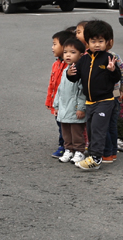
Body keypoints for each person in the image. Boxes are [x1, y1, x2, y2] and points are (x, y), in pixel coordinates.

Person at [67, 20, 122, 170]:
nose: (97, 44)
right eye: (93, 41)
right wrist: (69, 73)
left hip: (105, 101)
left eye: (101, 41)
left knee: (98, 129)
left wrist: (112, 70)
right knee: (91, 130)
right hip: (90, 103)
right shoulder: (84, 59)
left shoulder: (108, 58)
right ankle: (94, 154)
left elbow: (116, 77)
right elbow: (75, 77)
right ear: (87, 42)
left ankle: (96, 159)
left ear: (107, 42)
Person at [53, 38, 88, 164]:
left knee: (77, 132)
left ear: (81, 55)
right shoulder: (64, 71)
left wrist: (81, 108)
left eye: (72, 52)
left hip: (74, 108)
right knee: (66, 132)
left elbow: (82, 92)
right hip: (64, 108)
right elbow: (60, 89)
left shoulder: (79, 72)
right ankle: (68, 149)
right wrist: (56, 105)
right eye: (65, 52)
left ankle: (79, 151)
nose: (68, 55)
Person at [46, 28, 77, 159]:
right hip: (57, 102)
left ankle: (66, 146)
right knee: (61, 124)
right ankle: (66, 145)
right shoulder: (56, 64)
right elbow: (52, 85)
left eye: (55, 44)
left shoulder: (71, 65)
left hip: (68, 102)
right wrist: (50, 101)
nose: (52, 47)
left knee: (68, 126)